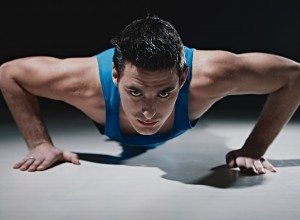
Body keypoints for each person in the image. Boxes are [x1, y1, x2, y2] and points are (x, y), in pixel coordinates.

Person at [0, 15, 299, 175]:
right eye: (135, 91)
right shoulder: (83, 83)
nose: (148, 112)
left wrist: (254, 147)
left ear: (183, 78)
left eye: (165, 92)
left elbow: (294, 77)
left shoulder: (214, 75)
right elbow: (9, 73)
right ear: (115, 77)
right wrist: (39, 143)